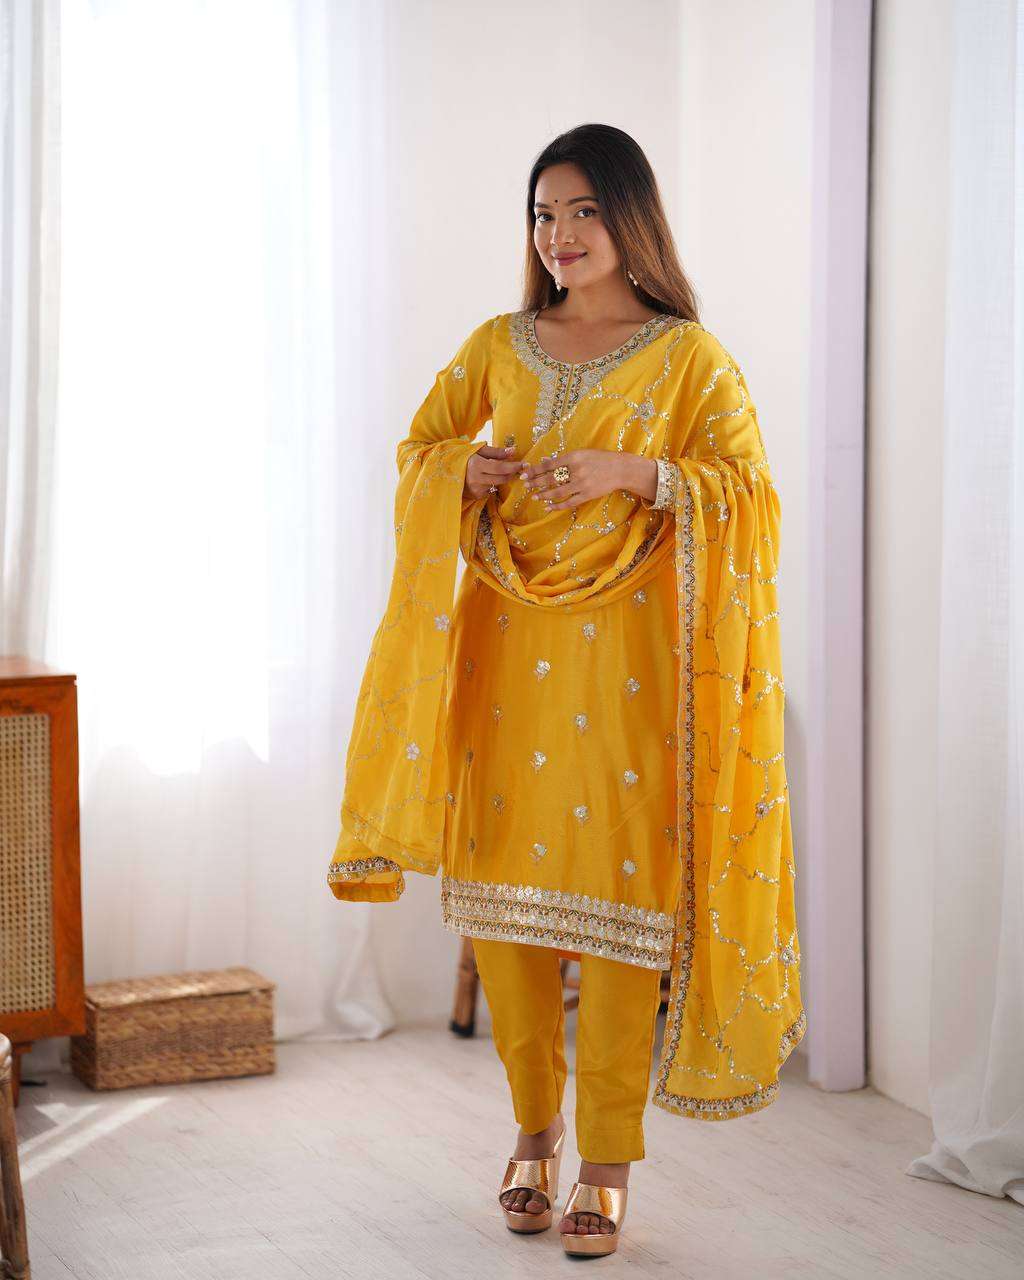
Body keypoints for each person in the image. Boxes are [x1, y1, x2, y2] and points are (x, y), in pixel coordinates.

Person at [326, 122, 806, 1258]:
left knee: (624, 916)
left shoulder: (690, 358)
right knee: (507, 920)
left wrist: (635, 472)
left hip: (634, 677)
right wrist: (465, 469)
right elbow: (418, 449)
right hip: (505, 664)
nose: (560, 234)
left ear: (630, 217)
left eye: (583, 210)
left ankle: (606, 1161)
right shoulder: (498, 343)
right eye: (544, 214)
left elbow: (752, 497)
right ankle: (532, 1132)